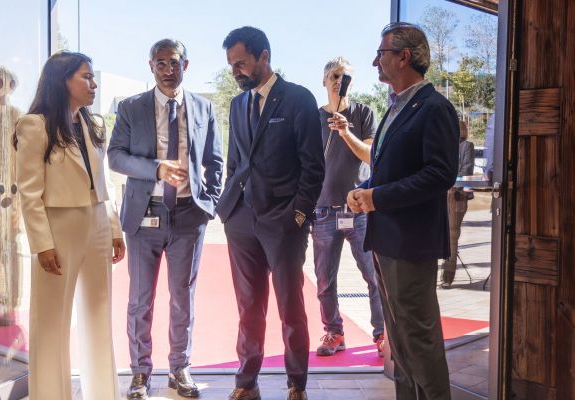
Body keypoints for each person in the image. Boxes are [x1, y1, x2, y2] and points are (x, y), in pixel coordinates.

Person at [108, 38, 224, 400]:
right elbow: (115, 157)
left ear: (185, 66)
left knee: (182, 297)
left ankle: (179, 368)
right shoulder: (131, 108)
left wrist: (210, 203)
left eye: (174, 62)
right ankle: (140, 372)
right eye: (161, 63)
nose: (168, 69)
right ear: (151, 67)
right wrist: (156, 169)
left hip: (190, 215)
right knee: (140, 299)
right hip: (145, 215)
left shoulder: (204, 108)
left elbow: (216, 162)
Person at [347, 22, 458, 400]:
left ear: (403, 57)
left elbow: (439, 174)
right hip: (387, 238)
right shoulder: (395, 107)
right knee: (400, 339)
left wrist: (379, 198)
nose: (375, 61)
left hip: (412, 242)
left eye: (381, 54)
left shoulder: (435, 107)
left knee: (418, 337)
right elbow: (389, 171)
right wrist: (364, 191)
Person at [216, 26, 324, 400]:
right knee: (248, 307)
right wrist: (228, 210)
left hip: (284, 221)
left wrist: (298, 216)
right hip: (240, 220)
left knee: (290, 307)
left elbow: (314, 167)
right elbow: (235, 162)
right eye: (232, 65)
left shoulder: (298, 99)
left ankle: (297, 384)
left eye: (241, 63)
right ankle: (246, 383)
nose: (236, 72)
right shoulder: (237, 104)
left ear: (264, 56)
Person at [14, 51, 125, 400]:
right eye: (86, 77)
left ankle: (104, 394)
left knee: (98, 314)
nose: (93, 84)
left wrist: (115, 230)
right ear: (63, 80)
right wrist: (41, 244)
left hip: (97, 224)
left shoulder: (90, 124)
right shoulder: (34, 124)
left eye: (93, 78)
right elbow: (29, 192)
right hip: (57, 227)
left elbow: (100, 182)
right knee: (51, 322)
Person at [311, 57, 385, 357]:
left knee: (372, 274)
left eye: (345, 77)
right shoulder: (312, 117)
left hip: (359, 209)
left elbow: (371, 156)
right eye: (334, 75)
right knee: (325, 279)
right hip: (322, 210)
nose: (339, 81)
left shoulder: (364, 113)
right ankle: (334, 332)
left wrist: (345, 131)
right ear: (325, 81)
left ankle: (381, 334)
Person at [0, 66, 24, 325]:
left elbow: (24, 161)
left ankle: (11, 307)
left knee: (10, 250)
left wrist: (20, 201)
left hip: (10, 194)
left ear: (10, 86)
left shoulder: (18, 117)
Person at [441, 120, 475, 288]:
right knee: (442, 236)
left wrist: (448, 182)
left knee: (452, 237)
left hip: (456, 196)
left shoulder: (467, 146)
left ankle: (447, 277)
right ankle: (441, 275)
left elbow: (467, 170)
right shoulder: (444, 146)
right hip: (442, 195)